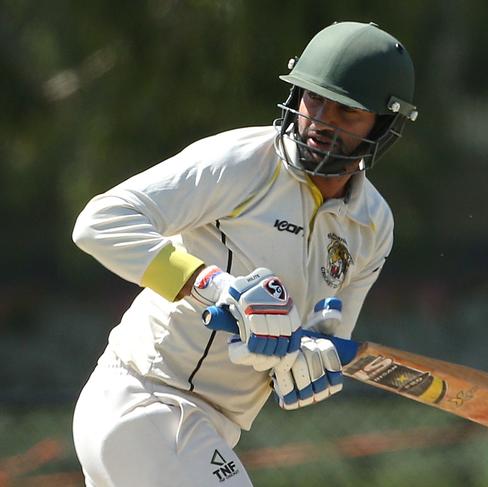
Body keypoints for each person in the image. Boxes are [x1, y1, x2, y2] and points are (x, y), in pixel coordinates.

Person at [72, 20, 417, 486]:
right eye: (314, 99)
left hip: (209, 427)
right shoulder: (241, 163)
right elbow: (100, 222)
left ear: (383, 125)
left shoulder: (372, 225)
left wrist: (305, 357)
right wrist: (209, 285)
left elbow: (318, 340)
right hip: (148, 400)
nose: (320, 122)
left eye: (347, 112)